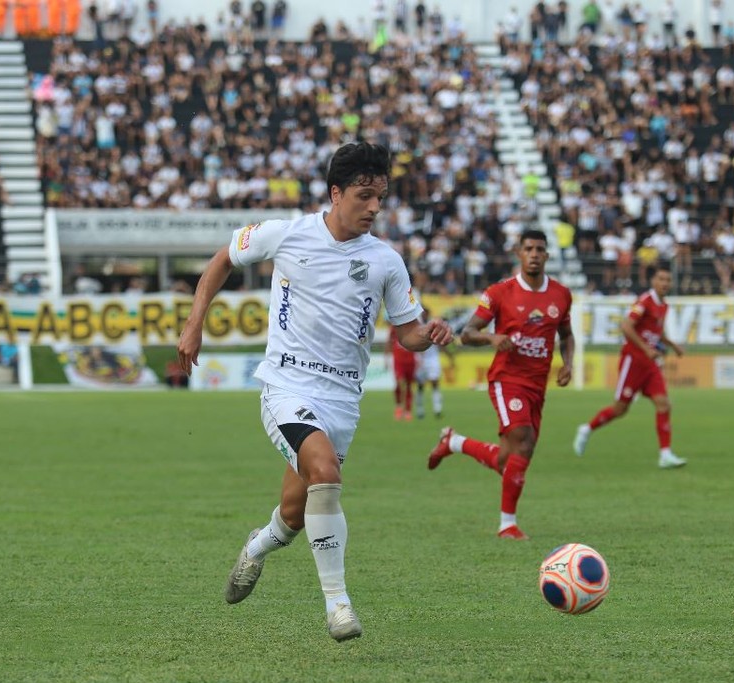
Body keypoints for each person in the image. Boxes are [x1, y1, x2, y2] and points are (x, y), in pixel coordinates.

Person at [176, 142, 453, 642]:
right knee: (324, 472)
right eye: (364, 196)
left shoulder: (386, 261)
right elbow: (223, 258)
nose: (373, 207)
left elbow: (407, 332)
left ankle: (256, 549)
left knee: (294, 513)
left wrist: (429, 333)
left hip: (343, 400)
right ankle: (338, 606)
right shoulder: (288, 234)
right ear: (336, 193)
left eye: (381, 198)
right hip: (286, 385)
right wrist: (195, 323)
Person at [426, 230, 575, 541]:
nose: (534, 254)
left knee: (511, 459)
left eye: (540, 249)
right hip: (507, 380)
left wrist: (569, 364)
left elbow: (567, 334)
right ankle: (507, 524)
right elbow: (466, 333)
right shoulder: (499, 292)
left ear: (547, 256)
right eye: (528, 248)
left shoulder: (561, 294)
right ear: (519, 254)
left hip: (537, 385)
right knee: (523, 441)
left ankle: (455, 442)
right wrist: (492, 337)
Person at [574, 265, 688, 469]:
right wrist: (646, 349)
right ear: (653, 281)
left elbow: (656, 331)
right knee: (620, 409)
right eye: (661, 279)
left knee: (664, 404)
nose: (665, 283)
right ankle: (586, 429)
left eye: (668, 280)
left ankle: (665, 454)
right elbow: (626, 326)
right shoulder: (645, 301)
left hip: (650, 363)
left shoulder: (664, 305)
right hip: (633, 361)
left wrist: (673, 345)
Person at [389, 324, 416, 420]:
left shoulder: (413, 325)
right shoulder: (394, 326)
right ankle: (399, 406)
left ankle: (408, 410)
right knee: (400, 383)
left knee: (409, 385)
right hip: (398, 360)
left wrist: (421, 357)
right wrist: (386, 357)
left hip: (410, 361)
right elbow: (389, 341)